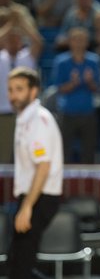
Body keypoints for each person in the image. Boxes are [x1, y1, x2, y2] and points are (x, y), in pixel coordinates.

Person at [6, 67, 70, 279]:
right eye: (11, 90)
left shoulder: (38, 120)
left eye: (19, 89)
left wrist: (27, 207)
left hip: (39, 196)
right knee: (18, 266)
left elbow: (43, 166)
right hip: (33, 196)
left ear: (34, 91)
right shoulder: (26, 119)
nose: (13, 95)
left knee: (19, 268)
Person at [0, 9, 44, 164]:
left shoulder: (27, 56)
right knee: (3, 157)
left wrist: (22, 22)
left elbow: (38, 41)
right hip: (4, 113)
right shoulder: (1, 58)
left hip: (27, 114)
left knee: (28, 156)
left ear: (21, 41)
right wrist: (10, 24)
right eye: (9, 39)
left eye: (16, 39)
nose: (13, 41)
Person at [53, 27, 100, 164]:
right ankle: (66, 183)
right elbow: (58, 88)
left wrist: (89, 81)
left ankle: (88, 184)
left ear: (87, 42)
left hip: (88, 112)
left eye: (82, 40)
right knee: (65, 151)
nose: (79, 43)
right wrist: (73, 84)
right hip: (67, 112)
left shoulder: (94, 61)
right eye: (76, 39)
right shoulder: (61, 61)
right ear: (70, 42)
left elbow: (97, 89)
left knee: (89, 152)